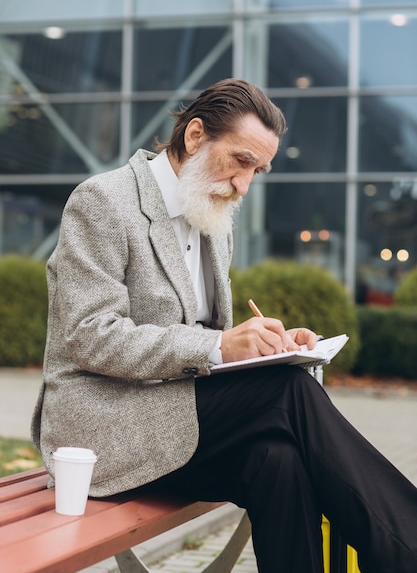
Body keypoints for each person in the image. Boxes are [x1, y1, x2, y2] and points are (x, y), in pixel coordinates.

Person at [32, 78, 417, 573]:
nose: (245, 185)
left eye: (259, 170)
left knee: (280, 461)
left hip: (182, 425)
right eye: (240, 161)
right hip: (104, 433)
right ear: (195, 136)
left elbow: (212, 350)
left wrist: (268, 346)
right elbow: (91, 334)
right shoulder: (104, 201)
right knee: (287, 391)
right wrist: (220, 346)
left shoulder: (213, 215)